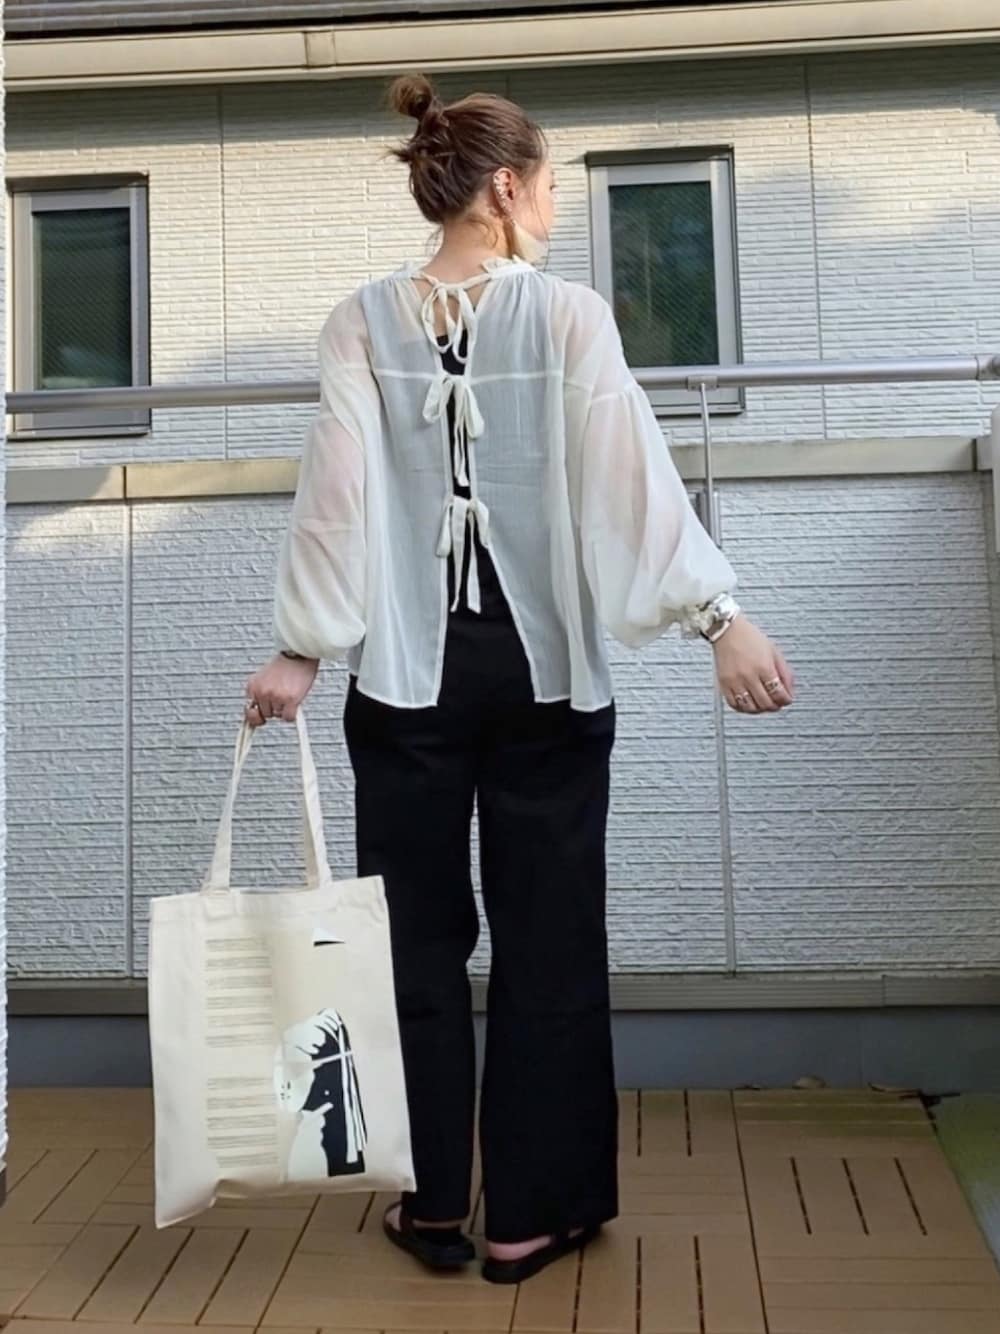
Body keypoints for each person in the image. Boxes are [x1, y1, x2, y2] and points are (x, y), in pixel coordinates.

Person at [244, 72, 794, 1284]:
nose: (551, 205)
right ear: (504, 186)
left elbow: (334, 502)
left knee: (415, 944)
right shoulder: (567, 319)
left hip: (405, 681)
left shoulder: (359, 322)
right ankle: (526, 1216)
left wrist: (303, 644)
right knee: (548, 941)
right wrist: (720, 621)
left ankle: (435, 1202)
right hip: (544, 682)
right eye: (546, 184)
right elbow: (630, 481)